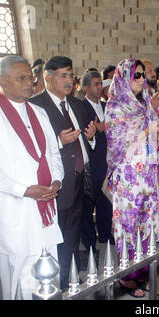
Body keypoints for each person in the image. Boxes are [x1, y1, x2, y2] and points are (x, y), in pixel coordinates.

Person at [0, 55, 64, 299]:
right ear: (2, 81)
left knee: (49, 265)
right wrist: (24, 189)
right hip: (13, 208)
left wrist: (57, 181)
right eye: (21, 78)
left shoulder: (39, 113)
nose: (29, 83)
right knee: (20, 273)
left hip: (45, 205)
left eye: (30, 77)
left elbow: (53, 153)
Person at [29, 56, 97, 290]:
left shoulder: (77, 104)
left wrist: (90, 137)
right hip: (55, 183)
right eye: (63, 76)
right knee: (54, 236)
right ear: (48, 78)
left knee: (72, 234)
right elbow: (33, 147)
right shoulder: (35, 106)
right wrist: (58, 141)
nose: (69, 81)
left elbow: (88, 141)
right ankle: (54, 283)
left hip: (80, 178)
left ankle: (71, 280)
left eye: (71, 75)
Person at [104, 59, 159, 298]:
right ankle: (128, 277)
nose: (141, 79)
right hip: (128, 175)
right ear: (124, 77)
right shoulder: (115, 105)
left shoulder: (146, 103)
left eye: (143, 75)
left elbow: (153, 139)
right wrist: (147, 131)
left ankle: (145, 273)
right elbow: (118, 141)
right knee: (128, 225)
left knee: (149, 222)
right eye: (136, 75)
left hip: (148, 172)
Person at [80, 71, 114, 259]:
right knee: (89, 201)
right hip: (92, 160)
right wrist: (96, 129)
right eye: (95, 84)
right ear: (85, 88)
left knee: (105, 200)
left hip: (107, 159)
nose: (100, 87)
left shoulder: (105, 105)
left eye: (101, 83)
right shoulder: (81, 107)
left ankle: (105, 233)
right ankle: (90, 241)